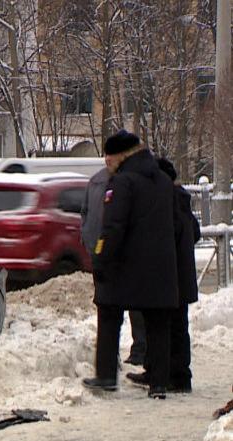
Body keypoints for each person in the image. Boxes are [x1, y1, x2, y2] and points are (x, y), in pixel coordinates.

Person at [82, 130, 177, 399]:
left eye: (108, 155)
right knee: (158, 322)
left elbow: (113, 227)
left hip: (126, 267)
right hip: (160, 266)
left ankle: (106, 376)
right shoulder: (161, 180)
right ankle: (159, 383)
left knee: (109, 312)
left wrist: (100, 258)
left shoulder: (122, 183)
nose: (106, 160)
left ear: (122, 155)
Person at [126, 158, 200, 393]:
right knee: (174, 326)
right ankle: (166, 373)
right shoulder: (181, 199)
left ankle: (176, 376)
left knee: (168, 327)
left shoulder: (171, 201)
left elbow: (171, 234)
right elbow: (195, 233)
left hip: (172, 274)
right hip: (181, 274)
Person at [81, 166, 147, 367]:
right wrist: (87, 238)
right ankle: (113, 356)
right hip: (100, 252)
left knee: (132, 304)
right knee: (107, 306)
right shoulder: (96, 181)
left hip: (120, 252)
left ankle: (139, 349)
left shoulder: (126, 181)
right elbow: (86, 213)